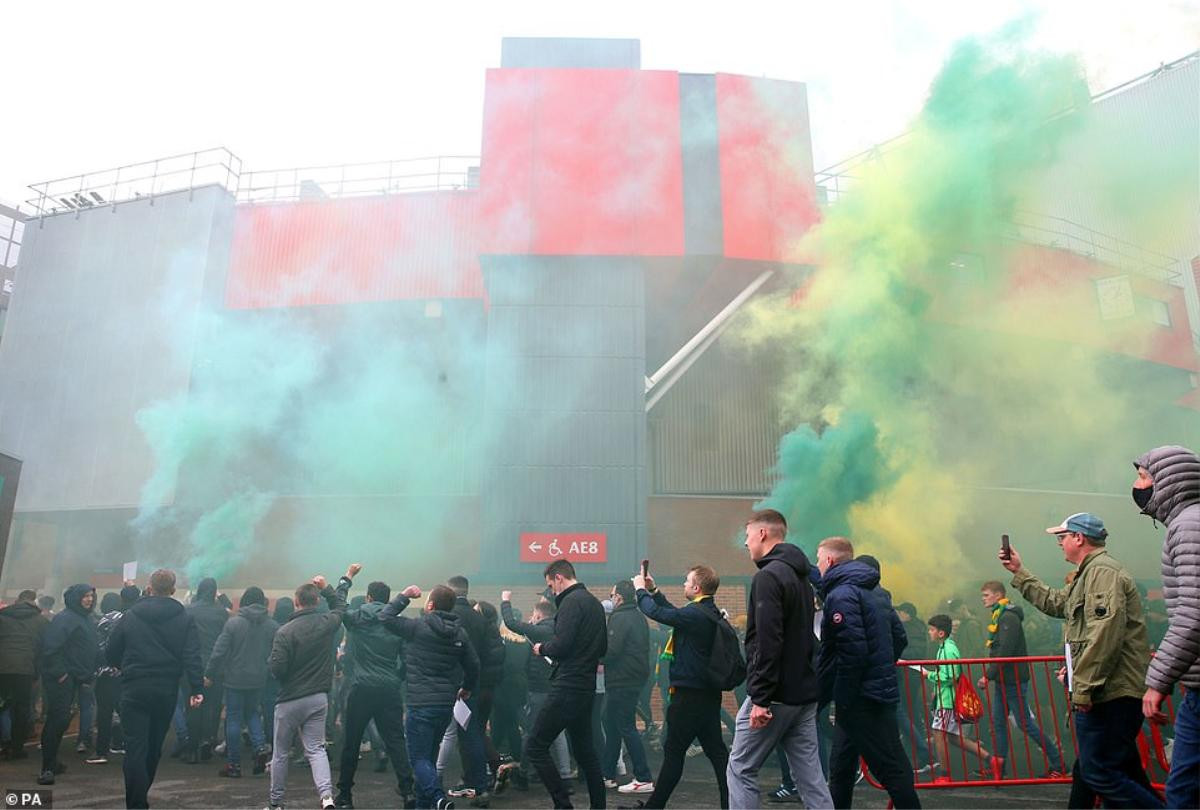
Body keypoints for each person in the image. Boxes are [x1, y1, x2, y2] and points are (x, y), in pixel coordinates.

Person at [1001, 513, 1163, 809]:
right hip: (1110, 690)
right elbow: (1057, 603)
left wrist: (1083, 687)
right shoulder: (1089, 573)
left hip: (1110, 692)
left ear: (1079, 538)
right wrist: (1019, 571)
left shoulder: (1102, 573)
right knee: (1112, 770)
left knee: (1098, 772)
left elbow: (1104, 634)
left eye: (1062, 537)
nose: (1059, 543)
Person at [726, 510, 830, 810]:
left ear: (762, 534)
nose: (746, 544)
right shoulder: (800, 577)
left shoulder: (769, 576)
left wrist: (760, 697)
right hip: (804, 693)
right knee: (810, 777)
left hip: (776, 696)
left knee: (740, 768)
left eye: (747, 536)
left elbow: (767, 641)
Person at [815, 537, 919, 809]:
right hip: (872, 692)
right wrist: (880, 667)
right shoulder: (877, 593)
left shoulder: (841, 595)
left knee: (890, 768)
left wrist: (845, 694)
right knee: (842, 766)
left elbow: (853, 652)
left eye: (818, 558)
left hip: (859, 698)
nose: (817, 564)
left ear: (829, 561)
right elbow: (899, 638)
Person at [1134, 445, 1199, 810]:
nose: (1137, 484)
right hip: (1196, 686)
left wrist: (1158, 681)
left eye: (1144, 476)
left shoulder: (1188, 525)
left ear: (1169, 481)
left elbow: (1194, 612)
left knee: (1183, 792)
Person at [633, 564, 730, 809]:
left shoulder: (695, 614)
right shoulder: (706, 612)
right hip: (707, 695)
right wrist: (654, 590)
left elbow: (658, 614)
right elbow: (674, 614)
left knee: (674, 752)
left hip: (688, 697)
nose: (683, 585)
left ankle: (655, 806)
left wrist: (640, 591)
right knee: (718, 755)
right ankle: (731, 803)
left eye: (686, 582)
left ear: (697, 588)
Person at [105, 569, 203, 809]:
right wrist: (196, 687)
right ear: (173, 589)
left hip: (134, 686)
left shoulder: (130, 616)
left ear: (149, 587)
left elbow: (111, 650)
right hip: (165, 688)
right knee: (153, 747)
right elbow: (192, 655)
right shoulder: (184, 618)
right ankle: (140, 798)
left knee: (135, 747)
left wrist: (121, 666)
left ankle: (136, 803)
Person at [382, 583, 480, 810]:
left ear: (430, 605)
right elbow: (474, 665)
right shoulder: (460, 633)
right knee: (429, 757)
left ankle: (438, 798)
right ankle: (425, 805)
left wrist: (405, 595)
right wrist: (467, 687)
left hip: (420, 703)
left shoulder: (416, 627)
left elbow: (385, 617)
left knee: (418, 759)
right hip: (445, 705)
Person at [267, 565, 356, 810]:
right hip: (318, 697)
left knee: (281, 753)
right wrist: (327, 587)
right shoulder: (326, 623)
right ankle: (327, 798)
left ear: (296, 602)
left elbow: (277, 670)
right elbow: (339, 607)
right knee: (316, 749)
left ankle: (276, 803)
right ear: (316, 601)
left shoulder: (284, 632)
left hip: (289, 700)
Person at [525, 559, 607, 810]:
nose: (552, 591)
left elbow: (562, 645)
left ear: (559, 578)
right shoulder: (593, 602)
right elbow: (603, 648)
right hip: (586, 687)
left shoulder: (571, 602)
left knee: (535, 746)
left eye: (551, 585)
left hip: (567, 685)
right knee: (586, 753)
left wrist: (542, 648)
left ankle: (563, 805)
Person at [334, 578, 416, 809]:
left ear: (369, 598)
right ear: (387, 599)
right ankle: (408, 792)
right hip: (389, 689)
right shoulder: (397, 624)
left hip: (361, 686)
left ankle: (345, 796)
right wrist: (396, 678)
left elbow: (339, 605)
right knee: (396, 741)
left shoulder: (358, 619)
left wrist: (345, 581)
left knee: (351, 742)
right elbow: (407, 660)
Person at [976, 581, 1065, 777]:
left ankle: (1058, 764)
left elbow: (1005, 650)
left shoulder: (1008, 618)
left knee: (1025, 723)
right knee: (998, 722)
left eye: (986, 595)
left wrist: (988, 675)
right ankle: (1000, 768)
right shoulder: (1000, 615)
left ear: (998, 595)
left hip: (1013, 678)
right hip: (1004, 678)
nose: (983, 598)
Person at [497, 595, 573, 791]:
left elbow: (512, 623)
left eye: (533, 614)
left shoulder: (542, 630)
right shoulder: (560, 630)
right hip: (558, 686)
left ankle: (523, 773)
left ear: (539, 615)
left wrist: (505, 601)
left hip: (539, 689)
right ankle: (565, 776)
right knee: (558, 733)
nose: (531, 617)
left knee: (530, 732)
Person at [205, 586, 277, 778]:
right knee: (253, 713)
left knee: (234, 718)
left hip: (234, 679)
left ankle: (234, 765)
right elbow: (275, 654)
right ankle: (260, 746)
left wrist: (210, 673)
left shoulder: (233, 623)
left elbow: (219, 651)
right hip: (259, 678)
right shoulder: (272, 625)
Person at [38, 583, 98, 785]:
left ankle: (52, 762)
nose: (89, 599)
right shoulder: (65, 619)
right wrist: (61, 673)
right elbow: (50, 649)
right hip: (62, 679)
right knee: (57, 721)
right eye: (85, 596)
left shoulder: (86, 619)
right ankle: (47, 768)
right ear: (75, 598)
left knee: (62, 721)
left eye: (91, 596)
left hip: (77, 677)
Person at [438, 575, 490, 805]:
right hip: (472, 683)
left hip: (450, 682)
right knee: (472, 733)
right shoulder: (479, 618)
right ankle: (479, 784)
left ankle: (435, 778)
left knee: (446, 733)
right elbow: (484, 654)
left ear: (450, 591)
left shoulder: (449, 616)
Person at [924, 615, 995, 776]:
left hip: (947, 700)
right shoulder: (945, 647)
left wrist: (929, 675)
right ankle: (991, 760)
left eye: (932, 629)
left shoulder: (948, 650)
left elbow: (950, 676)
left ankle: (944, 774)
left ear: (941, 633)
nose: (929, 632)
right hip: (946, 698)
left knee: (938, 734)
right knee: (954, 738)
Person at [601, 579, 654, 794]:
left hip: (622, 679)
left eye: (612, 594)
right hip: (633, 678)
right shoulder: (638, 616)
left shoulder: (620, 617)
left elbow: (611, 651)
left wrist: (592, 656)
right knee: (612, 724)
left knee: (625, 727)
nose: (611, 597)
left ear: (619, 597)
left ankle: (643, 777)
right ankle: (607, 775)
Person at [87, 585, 142, 764]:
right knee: (124, 710)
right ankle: (124, 744)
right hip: (125, 671)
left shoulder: (106, 620)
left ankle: (101, 751)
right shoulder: (131, 618)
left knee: (104, 712)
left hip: (106, 672)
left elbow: (98, 647)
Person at [182, 578, 228, 764]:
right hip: (216, 666)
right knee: (213, 706)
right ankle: (208, 741)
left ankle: (192, 748)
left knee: (193, 706)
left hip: (192, 665)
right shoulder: (221, 613)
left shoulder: (188, 611)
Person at [0, 589, 49, 760]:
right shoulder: (41, 621)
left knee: (2, 705)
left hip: (2, 667)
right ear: (34, 602)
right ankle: (16, 747)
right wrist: (37, 672)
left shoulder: (2, 617)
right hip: (25, 670)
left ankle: (4, 740)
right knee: (21, 708)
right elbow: (44, 649)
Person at [892, 601, 934, 775]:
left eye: (900, 612)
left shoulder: (913, 629)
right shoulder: (914, 627)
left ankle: (922, 753)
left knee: (904, 712)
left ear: (908, 614)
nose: (898, 615)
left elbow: (916, 652)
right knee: (909, 712)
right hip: (908, 674)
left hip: (909, 675)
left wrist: (896, 654)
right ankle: (919, 751)